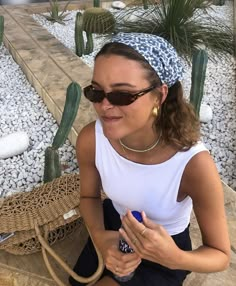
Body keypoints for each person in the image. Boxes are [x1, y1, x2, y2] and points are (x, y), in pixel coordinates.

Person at [69, 32, 230, 286]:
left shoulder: (193, 165)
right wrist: (100, 237)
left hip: (164, 250)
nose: (104, 106)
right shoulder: (92, 139)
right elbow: (89, 197)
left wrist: (174, 257)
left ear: (160, 95)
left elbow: (220, 255)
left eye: (122, 95)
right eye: (96, 92)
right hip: (115, 224)